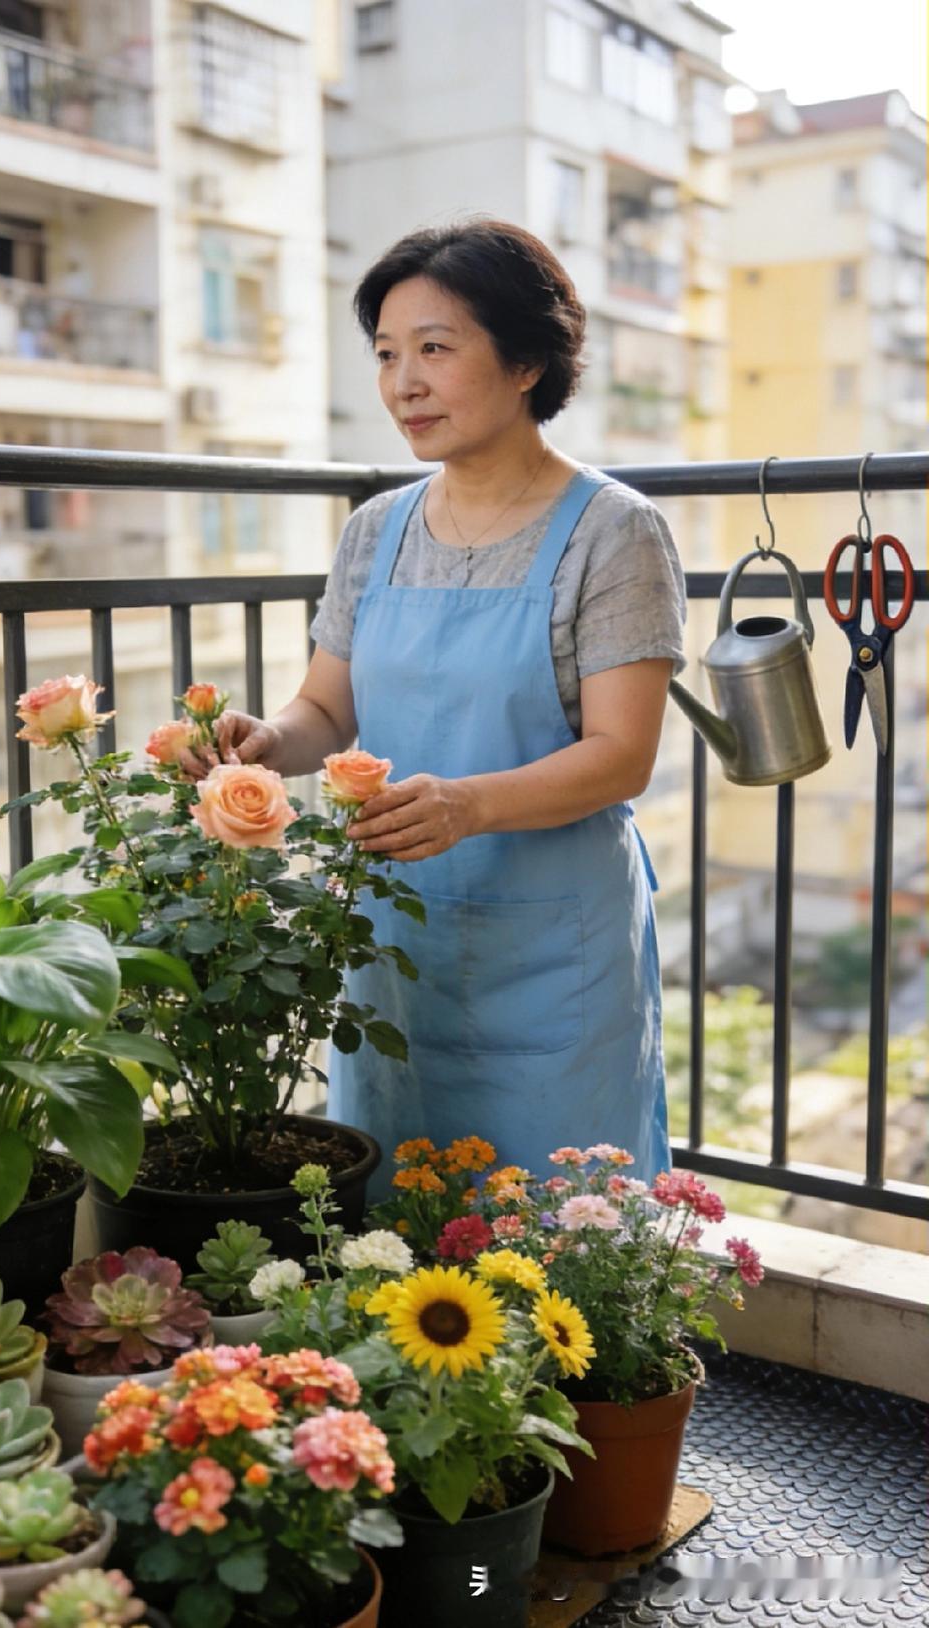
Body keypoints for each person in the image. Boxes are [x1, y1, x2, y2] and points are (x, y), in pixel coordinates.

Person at [182, 218, 687, 1186]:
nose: (401, 382)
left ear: (527, 359)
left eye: (433, 348)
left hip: (551, 945)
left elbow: (620, 754)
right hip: (393, 934)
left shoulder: (613, 531)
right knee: (394, 1218)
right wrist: (260, 741)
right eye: (383, 354)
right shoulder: (376, 529)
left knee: (559, 1230)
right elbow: (324, 713)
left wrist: (468, 804)